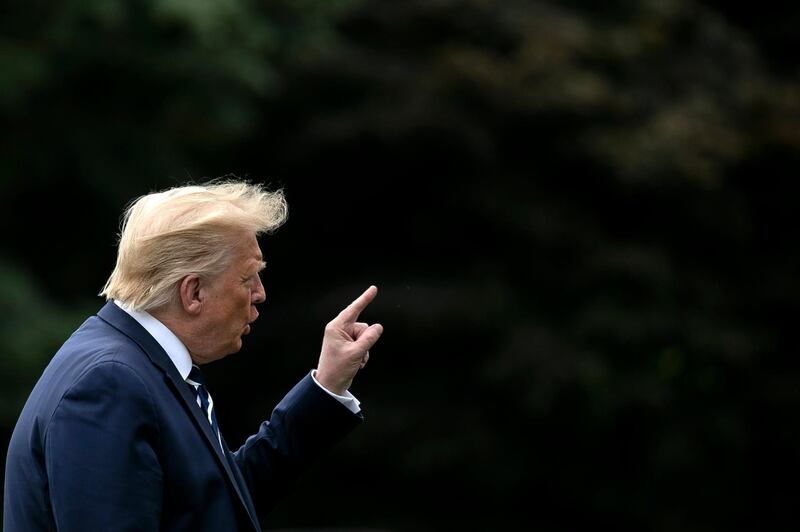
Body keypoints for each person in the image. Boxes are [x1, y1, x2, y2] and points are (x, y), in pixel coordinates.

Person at [3, 180, 383, 531]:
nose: (260, 293)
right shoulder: (111, 383)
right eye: (248, 277)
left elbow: (216, 502)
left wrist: (327, 385)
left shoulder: (136, 363)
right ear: (193, 292)